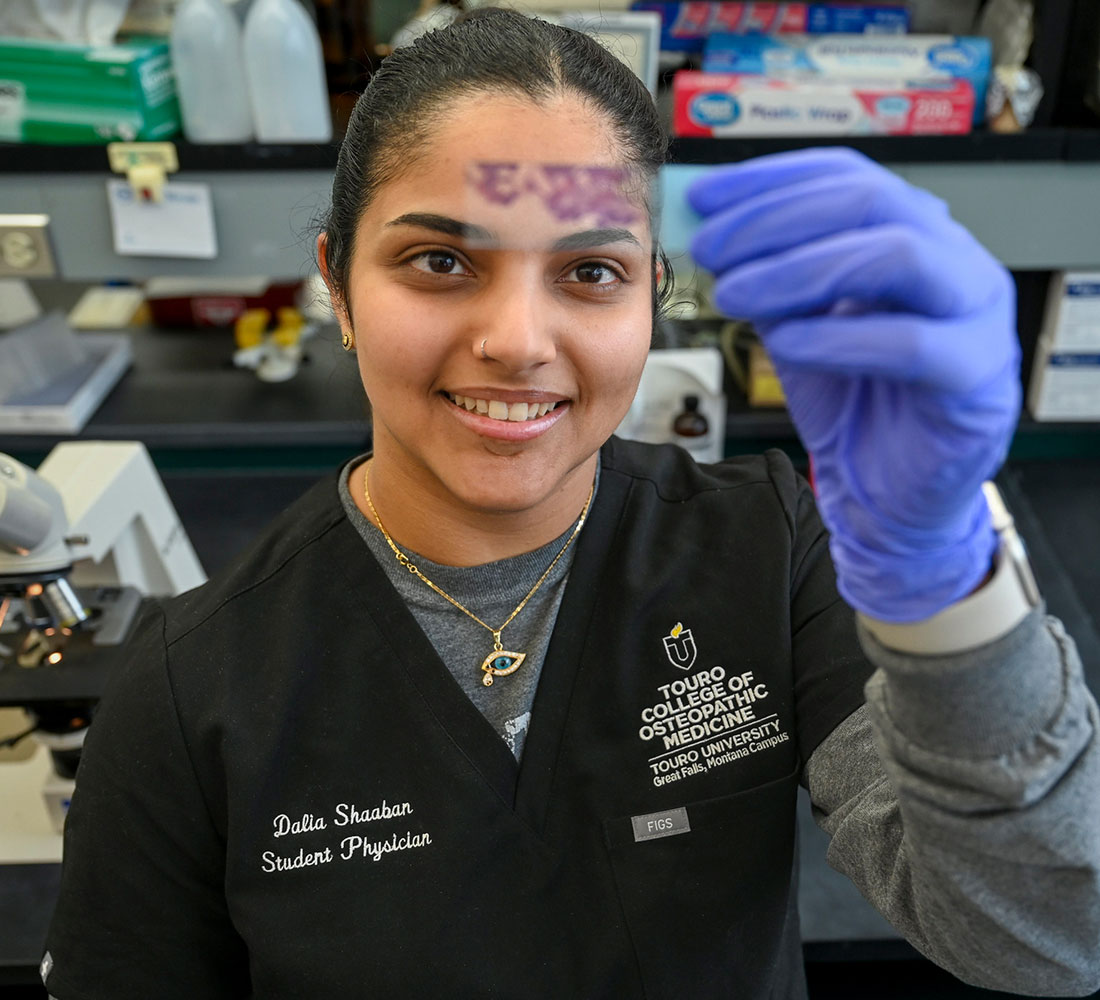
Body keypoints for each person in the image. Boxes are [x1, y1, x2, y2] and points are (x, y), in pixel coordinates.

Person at [42, 9, 1100, 999]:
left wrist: (944, 572)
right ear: (337, 283)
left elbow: (1042, 936)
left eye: (590, 269)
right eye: (440, 260)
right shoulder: (189, 695)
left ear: (653, 297)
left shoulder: (762, 547)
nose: (516, 338)